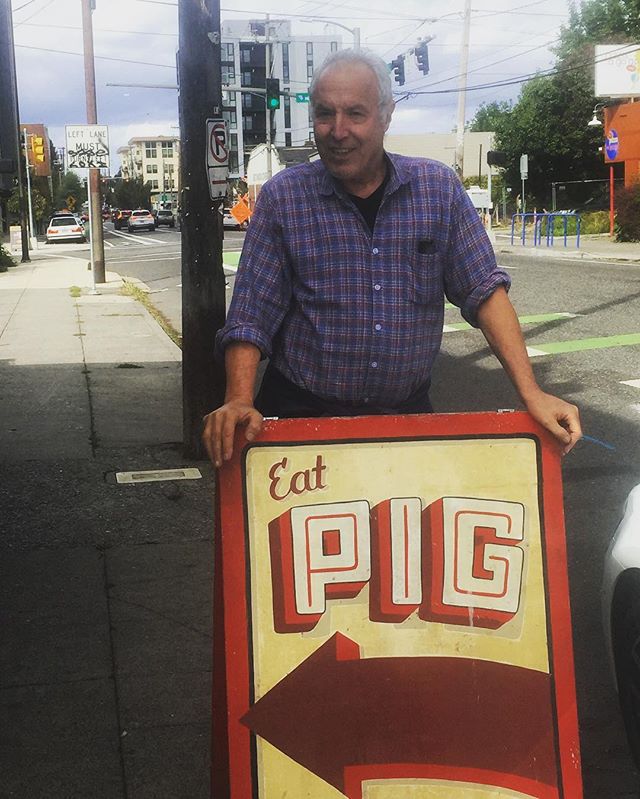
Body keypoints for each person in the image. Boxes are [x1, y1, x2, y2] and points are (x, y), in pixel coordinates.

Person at [202, 49, 581, 467]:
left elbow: (484, 292)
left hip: (405, 422)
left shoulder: (437, 191)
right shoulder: (283, 199)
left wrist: (531, 393)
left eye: (356, 114)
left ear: (386, 115)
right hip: (300, 421)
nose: (338, 130)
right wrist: (237, 399)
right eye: (325, 114)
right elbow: (251, 314)